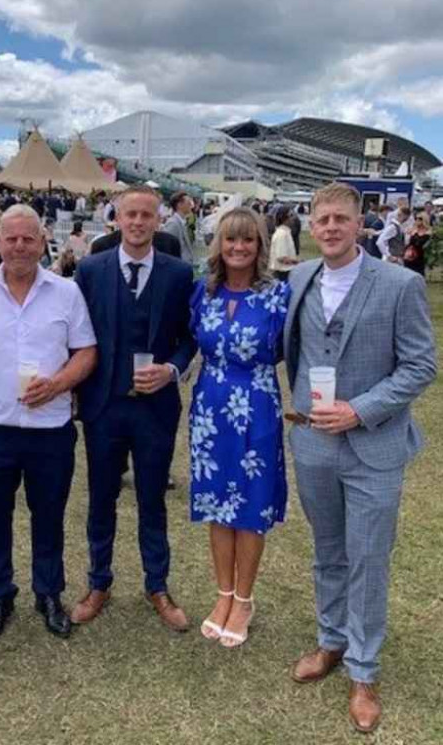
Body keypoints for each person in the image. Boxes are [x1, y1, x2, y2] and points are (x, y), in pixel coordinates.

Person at [284, 182, 436, 733]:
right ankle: (330, 641)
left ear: (360, 224)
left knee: (368, 558)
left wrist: (361, 409)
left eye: (340, 219)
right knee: (328, 551)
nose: (329, 227)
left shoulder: (399, 284)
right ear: (310, 223)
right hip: (314, 446)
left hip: (373, 446)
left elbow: (420, 366)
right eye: (321, 218)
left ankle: (363, 670)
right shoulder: (298, 279)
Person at [0, 205, 97, 641]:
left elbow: (86, 351)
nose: (19, 247)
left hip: (50, 430)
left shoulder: (66, 293)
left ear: (43, 241)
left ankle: (48, 593)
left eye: (28, 238)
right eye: (11, 238)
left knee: (48, 516)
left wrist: (59, 384)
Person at [71, 185, 196, 632]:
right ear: (117, 219)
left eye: (147, 215)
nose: (139, 222)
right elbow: (75, 332)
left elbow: (189, 336)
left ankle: (157, 585)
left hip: (155, 409)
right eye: (131, 215)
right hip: (103, 407)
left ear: (158, 220)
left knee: (151, 500)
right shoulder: (90, 270)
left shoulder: (180, 274)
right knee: (101, 498)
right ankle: (98, 582)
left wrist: (173, 369)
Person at [189, 208, 290, 647]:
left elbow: (291, 350)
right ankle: (223, 595)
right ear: (219, 244)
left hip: (258, 407)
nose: (238, 247)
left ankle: (244, 600)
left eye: (248, 240)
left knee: (250, 505)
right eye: (231, 239)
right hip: (210, 409)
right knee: (216, 503)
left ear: (260, 246)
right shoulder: (202, 294)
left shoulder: (277, 297)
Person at [162, 192, 197, 265]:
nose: (191, 205)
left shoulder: (181, 222)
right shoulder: (173, 224)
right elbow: (167, 249)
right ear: (179, 205)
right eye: (188, 202)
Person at [269, 205, 299, 280]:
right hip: (282, 273)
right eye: (291, 215)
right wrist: (297, 262)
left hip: (285, 272)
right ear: (285, 218)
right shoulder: (282, 234)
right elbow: (281, 257)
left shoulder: (286, 232)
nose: (293, 218)